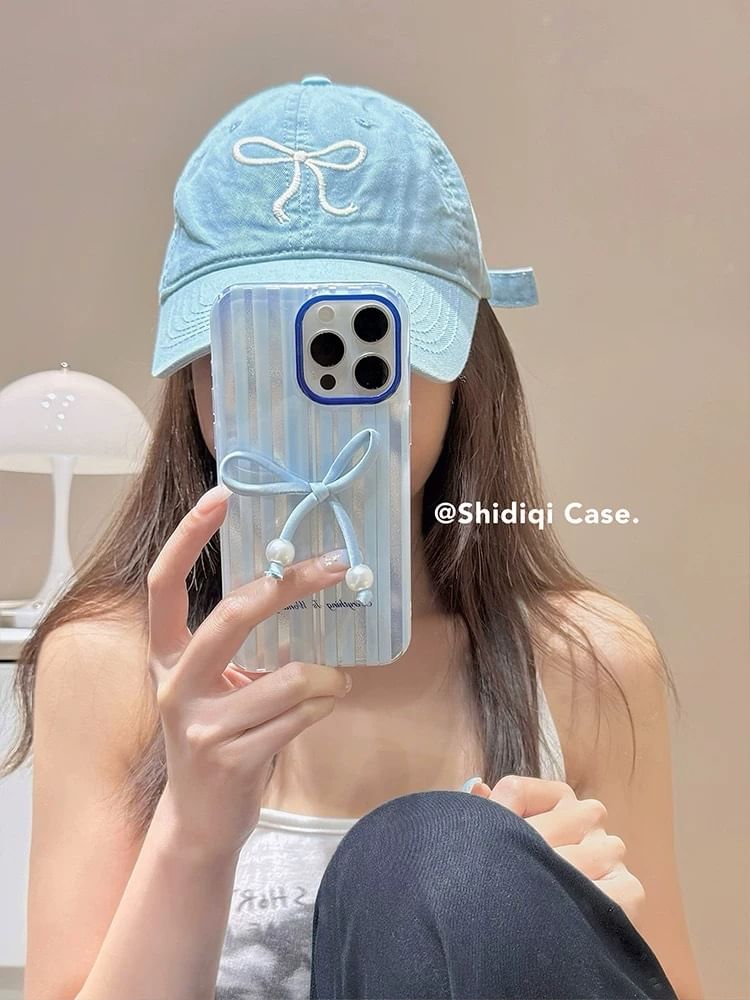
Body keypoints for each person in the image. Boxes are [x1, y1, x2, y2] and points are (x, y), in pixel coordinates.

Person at [2, 77, 703, 999]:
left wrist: (560, 932)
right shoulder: (109, 665)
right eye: (255, 359)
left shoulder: (585, 663)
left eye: (357, 350)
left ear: (464, 369)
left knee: (443, 857)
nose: (312, 406)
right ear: (197, 380)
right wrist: (193, 835)